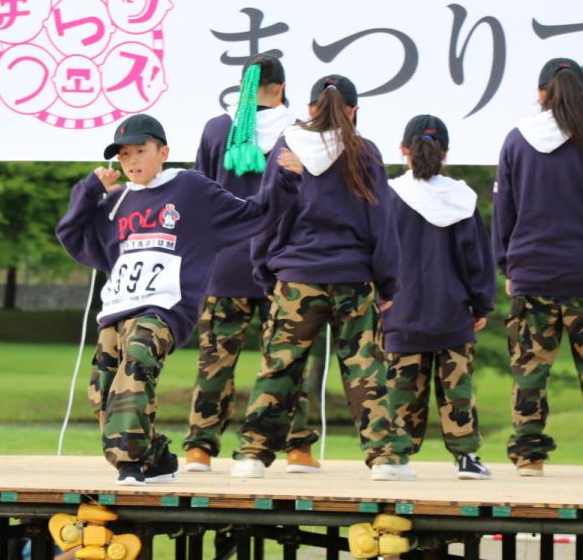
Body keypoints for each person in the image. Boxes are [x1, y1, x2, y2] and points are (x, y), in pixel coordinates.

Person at [55, 113, 299, 485]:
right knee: (104, 390)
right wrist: (89, 190)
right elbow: (73, 236)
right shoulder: (117, 202)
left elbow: (253, 213)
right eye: (124, 155)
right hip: (118, 309)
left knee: (138, 358)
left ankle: (129, 464)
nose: (132, 161)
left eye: (141, 151)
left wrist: (285, 180)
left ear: (163, 152)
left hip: (165, 307)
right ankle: (157, 458)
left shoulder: (189, 188)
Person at [233, 75, 414, 481]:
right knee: (365, 369)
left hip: (297, 277)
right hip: (353, 277)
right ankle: (384, 458)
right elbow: (382, 224)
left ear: (311, 108)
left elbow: (267, 213)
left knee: (280, 367)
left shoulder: (288, 146)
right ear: (354, 110)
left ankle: (253, 455)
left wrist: (264, 271)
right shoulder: (364, 152)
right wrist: (387, 282)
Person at [493, 57, 583, 479]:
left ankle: (529, 457)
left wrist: (508, 267)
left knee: (530, 371)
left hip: (532, 274)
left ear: (542, 93)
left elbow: (504, 211)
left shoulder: (517, 140)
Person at [182, 54, 319, 474]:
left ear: (243, 85)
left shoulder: (217, 129)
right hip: (282, 264)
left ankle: (200, 448)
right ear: (280, 88)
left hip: (223, 263)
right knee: (286, 360)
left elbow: (199, 195)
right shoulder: (300, 133)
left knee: (215, 360)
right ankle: (297, 448)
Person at [383, 115, 495, 480]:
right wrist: (481, 304)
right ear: (445, 152)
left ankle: (395, 457)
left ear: (403, 149)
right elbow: (477, 259)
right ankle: (466, 458)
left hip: (400, 311)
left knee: (401, 391)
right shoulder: (462, 199)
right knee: (456, 390)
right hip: (452, 310)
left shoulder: (388, 196)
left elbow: (378, 253)